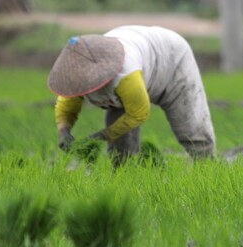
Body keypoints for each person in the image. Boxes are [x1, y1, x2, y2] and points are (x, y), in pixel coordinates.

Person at [47, 25, 216, 164]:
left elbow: (138, 113)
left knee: (191, 128)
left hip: (170, 59)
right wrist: (64, 131)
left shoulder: (126, 75)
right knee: (120, 152)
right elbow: (66, 106)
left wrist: (98, 138)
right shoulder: (74, 75)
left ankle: (208, 168)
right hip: (139, 55)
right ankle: (125, 176)